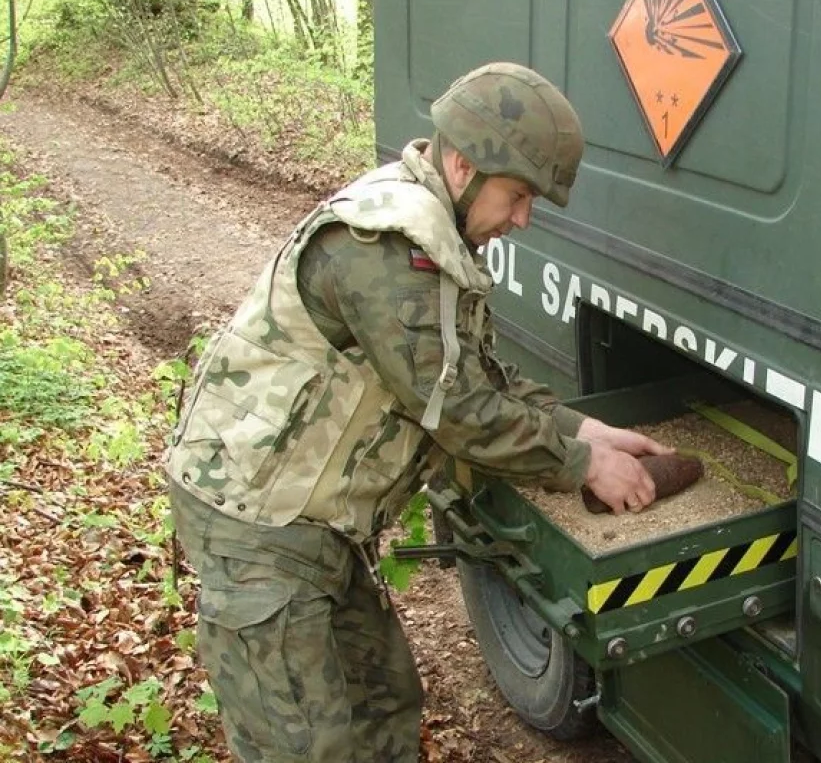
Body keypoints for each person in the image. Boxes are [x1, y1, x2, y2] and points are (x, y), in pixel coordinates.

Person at [164, 61, 668, 762]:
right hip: (257, 523)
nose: (523, 218)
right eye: (519, 195)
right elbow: (456, 410)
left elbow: (481, 375)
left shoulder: (438, 234)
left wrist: (582, 425)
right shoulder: (386, 246)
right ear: (463, 164)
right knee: (312, 744)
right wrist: (581, 465)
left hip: (320, 523)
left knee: (384, 703)